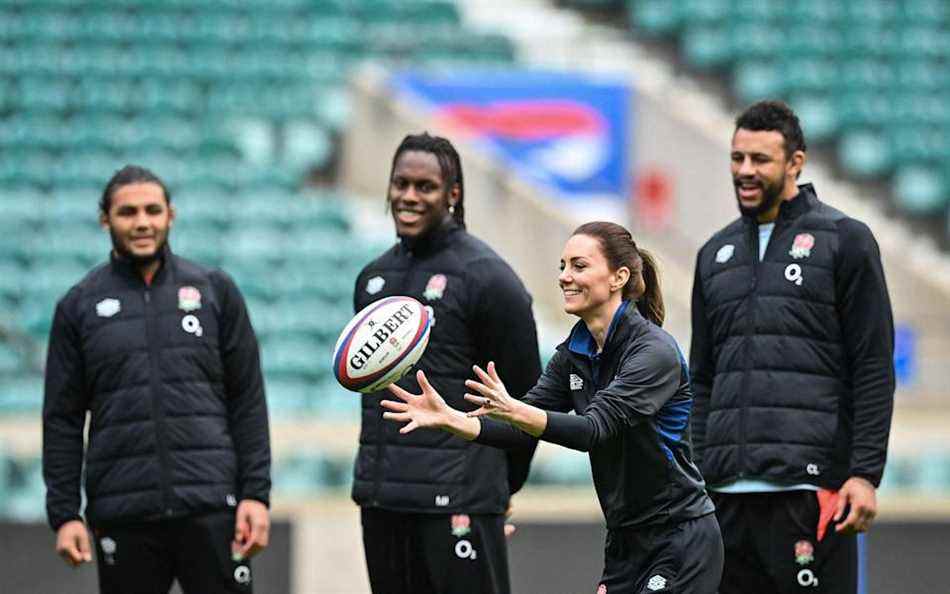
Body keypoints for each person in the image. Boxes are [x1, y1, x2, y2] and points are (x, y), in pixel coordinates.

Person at [382, 221, 724, 594]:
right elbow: (521, 426)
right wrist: (453, 420)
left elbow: (593, 429)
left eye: (579, 266)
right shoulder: (572, 354)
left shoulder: (653, 352)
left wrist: (517, 411)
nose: (564, 277)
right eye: (562, 266)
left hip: (679, 538)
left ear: (618, 277)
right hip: (625, 543)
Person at [689, 100, 895, 594]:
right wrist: (697, 473)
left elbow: (872, 365)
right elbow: (701, 378)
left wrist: (864, 474)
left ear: (795, 163)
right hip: (724, 502)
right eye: (737, 159)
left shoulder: (846, 240)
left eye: (760, 159)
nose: (745, 171)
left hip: (810, 495)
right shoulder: (713, 254)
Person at [43, 165, 271, 594]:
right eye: (128, 212)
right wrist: (65, 513)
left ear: (171, 215)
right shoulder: (78, 306)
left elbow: (247, 401)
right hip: (124, 512)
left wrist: (256, 495)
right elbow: (63, 420)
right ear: (105, 219)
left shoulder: (214, 291)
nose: (143, 222)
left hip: (212, 507)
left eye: (153, 210)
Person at [351, 132, 542, 594]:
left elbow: (526, 397)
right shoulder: (373, 279)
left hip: (458, 501)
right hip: (383, 501)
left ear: (452, 194)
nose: (409, 197)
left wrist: (496, 490)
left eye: (425, 186)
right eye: (401, 184)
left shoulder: (489, 278)